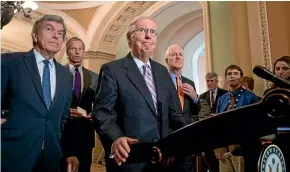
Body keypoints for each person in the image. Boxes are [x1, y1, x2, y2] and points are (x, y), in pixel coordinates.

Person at [92, 16, 186, 172]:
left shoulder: (162, 71)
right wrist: (116, 139)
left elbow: (175, 113)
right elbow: (102, 113)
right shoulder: (112, 70)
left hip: (164, 160)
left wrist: (176, 144)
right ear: (129, 38)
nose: (149, 36)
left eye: (153, 32)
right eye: (142, 30)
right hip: (130, 159)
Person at [1, 14, 79, 172]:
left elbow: (63, 120)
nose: (56, 35)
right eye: (49, 29)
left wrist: (68, 152)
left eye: (61, 33)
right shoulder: (8, 62)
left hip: (50, 157)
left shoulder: (65, 75)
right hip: (13, 153)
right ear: (35, 35)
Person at [62, 37, 99, 172]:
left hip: (85, 135)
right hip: (63, 134)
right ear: (67, 52)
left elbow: (100, 103)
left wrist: (95, 114)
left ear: (83, 52)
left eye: (80, 49)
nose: (77, 52)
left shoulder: (94, 77)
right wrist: (65, 111)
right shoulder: (58, 73)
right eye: (73, 48)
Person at [215, 65, 260, 172]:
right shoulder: (222, 99)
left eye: (235, 73)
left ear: (241, 77)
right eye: (229, 74)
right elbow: (217, 124)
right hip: (224, 148)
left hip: (244, 148)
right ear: (226, 78)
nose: (232, 76)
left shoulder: (251, 97)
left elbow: (255, 124)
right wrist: (218, 149)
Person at [164, 44, 200, 172]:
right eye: (174, 54)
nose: (178, 57)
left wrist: (195, 97)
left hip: (186, 139)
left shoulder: (189, 83)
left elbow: (196, 110)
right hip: (168, 138)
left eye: (181, 54)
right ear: (166, 60)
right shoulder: (160, 81)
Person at [199, 72, 227, 172]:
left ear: (216, 81)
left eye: (212, 81)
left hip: (221, 131)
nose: (209, 83)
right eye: (207, 81)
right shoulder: (202, 96)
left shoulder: (225, 94)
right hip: (208, 132)